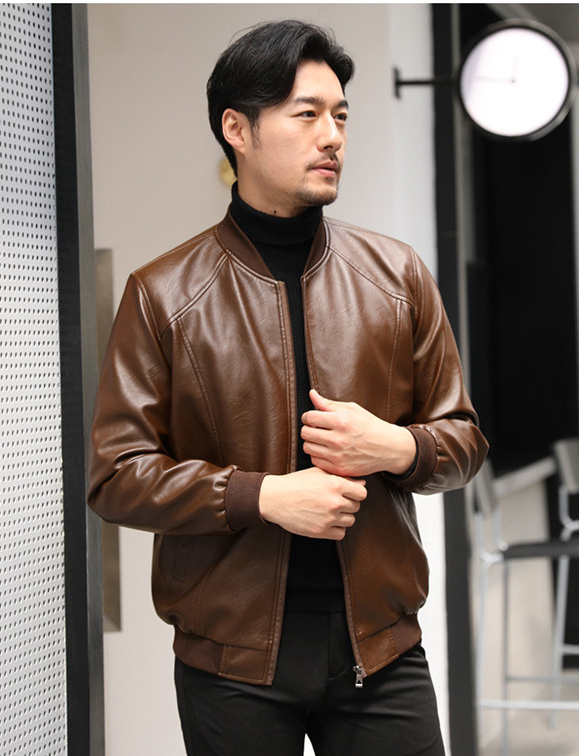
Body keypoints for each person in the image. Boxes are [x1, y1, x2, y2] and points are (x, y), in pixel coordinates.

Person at [88, 19, 488, 756]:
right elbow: (116, 477)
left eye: (341, 116)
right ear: (236, 129)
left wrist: (396, 447)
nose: (332, 136)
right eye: (307, 114)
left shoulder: (397, 275)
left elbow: (464, 441)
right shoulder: (163, 294)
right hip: (230, 662)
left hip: (383, 650)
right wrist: (263, 496)